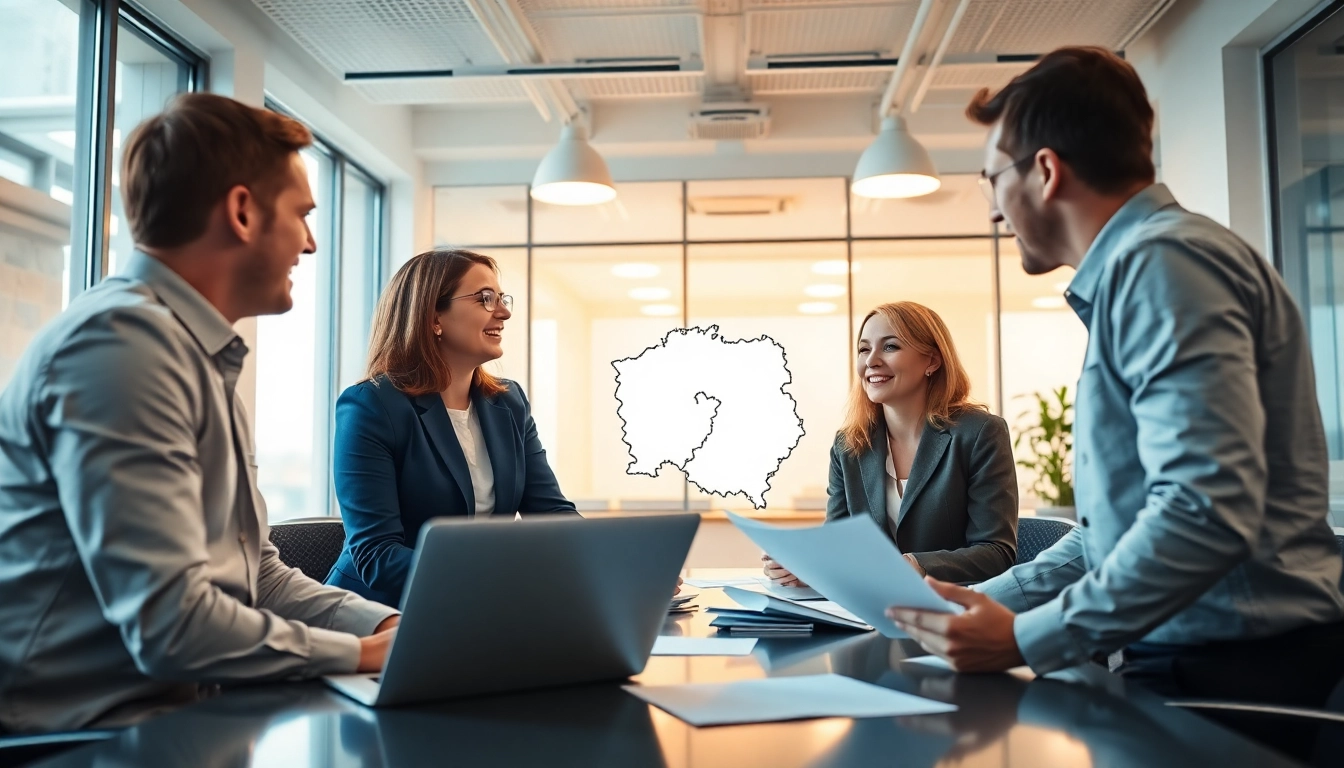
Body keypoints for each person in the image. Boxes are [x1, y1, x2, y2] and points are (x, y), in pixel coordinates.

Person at [885, 47, 1344, 714]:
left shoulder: (1161, 265)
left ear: (1045, 171)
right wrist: (981, 607)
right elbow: (1112, 536)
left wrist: (1024, 639)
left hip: (1233, 670)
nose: (991, 212)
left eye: (991, 181)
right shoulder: (1148, 267)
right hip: (1204, 656)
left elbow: (1204, 511)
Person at [0, 94, 399, 733]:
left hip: (174, 718)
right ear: (242, 212)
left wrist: (384, 625)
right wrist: (357, 654)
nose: (312, 242)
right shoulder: (121, 349)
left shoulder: (197, 356)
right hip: (72, 739)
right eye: (301, 214)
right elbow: (171, 624)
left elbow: (255, 576)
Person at [324, 249, 578, 606]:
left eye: (501, 299)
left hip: (476, 611)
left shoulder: (509, 403)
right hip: (379, 616)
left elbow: (550, 513)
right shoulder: (372, 406)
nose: (503, 312)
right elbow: (376, 557)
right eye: (485, 299)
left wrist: (610, 560)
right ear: (432, 318)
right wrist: (501, 578)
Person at [764, 302, 1018, 587]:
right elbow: (840, 545)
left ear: (932, 361)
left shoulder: (980, 433)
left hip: (952, 611)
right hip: (869, 609)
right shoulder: (849, 446)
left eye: (890, 347)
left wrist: (915, 565)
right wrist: (807, 567)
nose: (871, 361)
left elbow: (997, 553)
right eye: (864, 349)